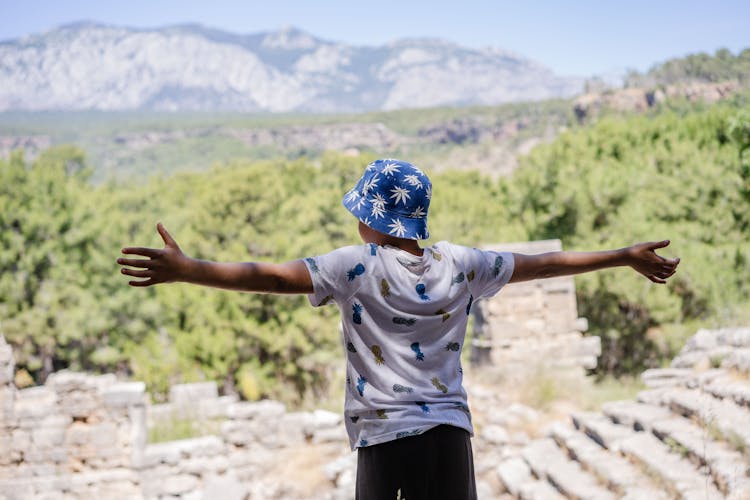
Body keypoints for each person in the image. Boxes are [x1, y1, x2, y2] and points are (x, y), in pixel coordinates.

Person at [117, 158, 680, 500]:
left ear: (370, 219)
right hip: (451, 436)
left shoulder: (353, 265)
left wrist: (191, 271)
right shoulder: (461, 263)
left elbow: (270, 278)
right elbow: (543, 265)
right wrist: (621, 255)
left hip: (386, 441)